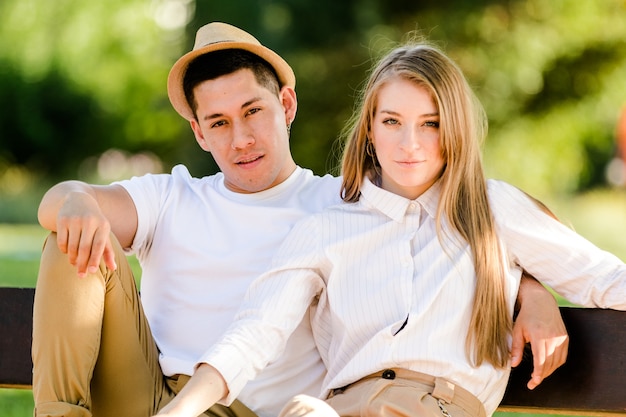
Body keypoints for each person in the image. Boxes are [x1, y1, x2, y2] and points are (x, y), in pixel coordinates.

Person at [33, 23, 567, 417]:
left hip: (245, 408)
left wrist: (533, 293)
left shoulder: (346, 204)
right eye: (218, 123)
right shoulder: (172, 196)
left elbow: (474, 216)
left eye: (253, 111)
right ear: (199, 133)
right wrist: (75, 198)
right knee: (70, 239)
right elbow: (60, 203)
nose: (240, 139)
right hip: (142, 391)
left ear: (286, 104)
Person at [151, 39, 626, 417]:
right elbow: (255, 332)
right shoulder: (328, 228)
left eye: (430, 124)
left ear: (454, 128)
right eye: (392, 121)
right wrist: (180, 411)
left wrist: (532, 292)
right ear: (371, 131)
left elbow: (606, 279)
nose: (410, 144)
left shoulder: (491, 208)